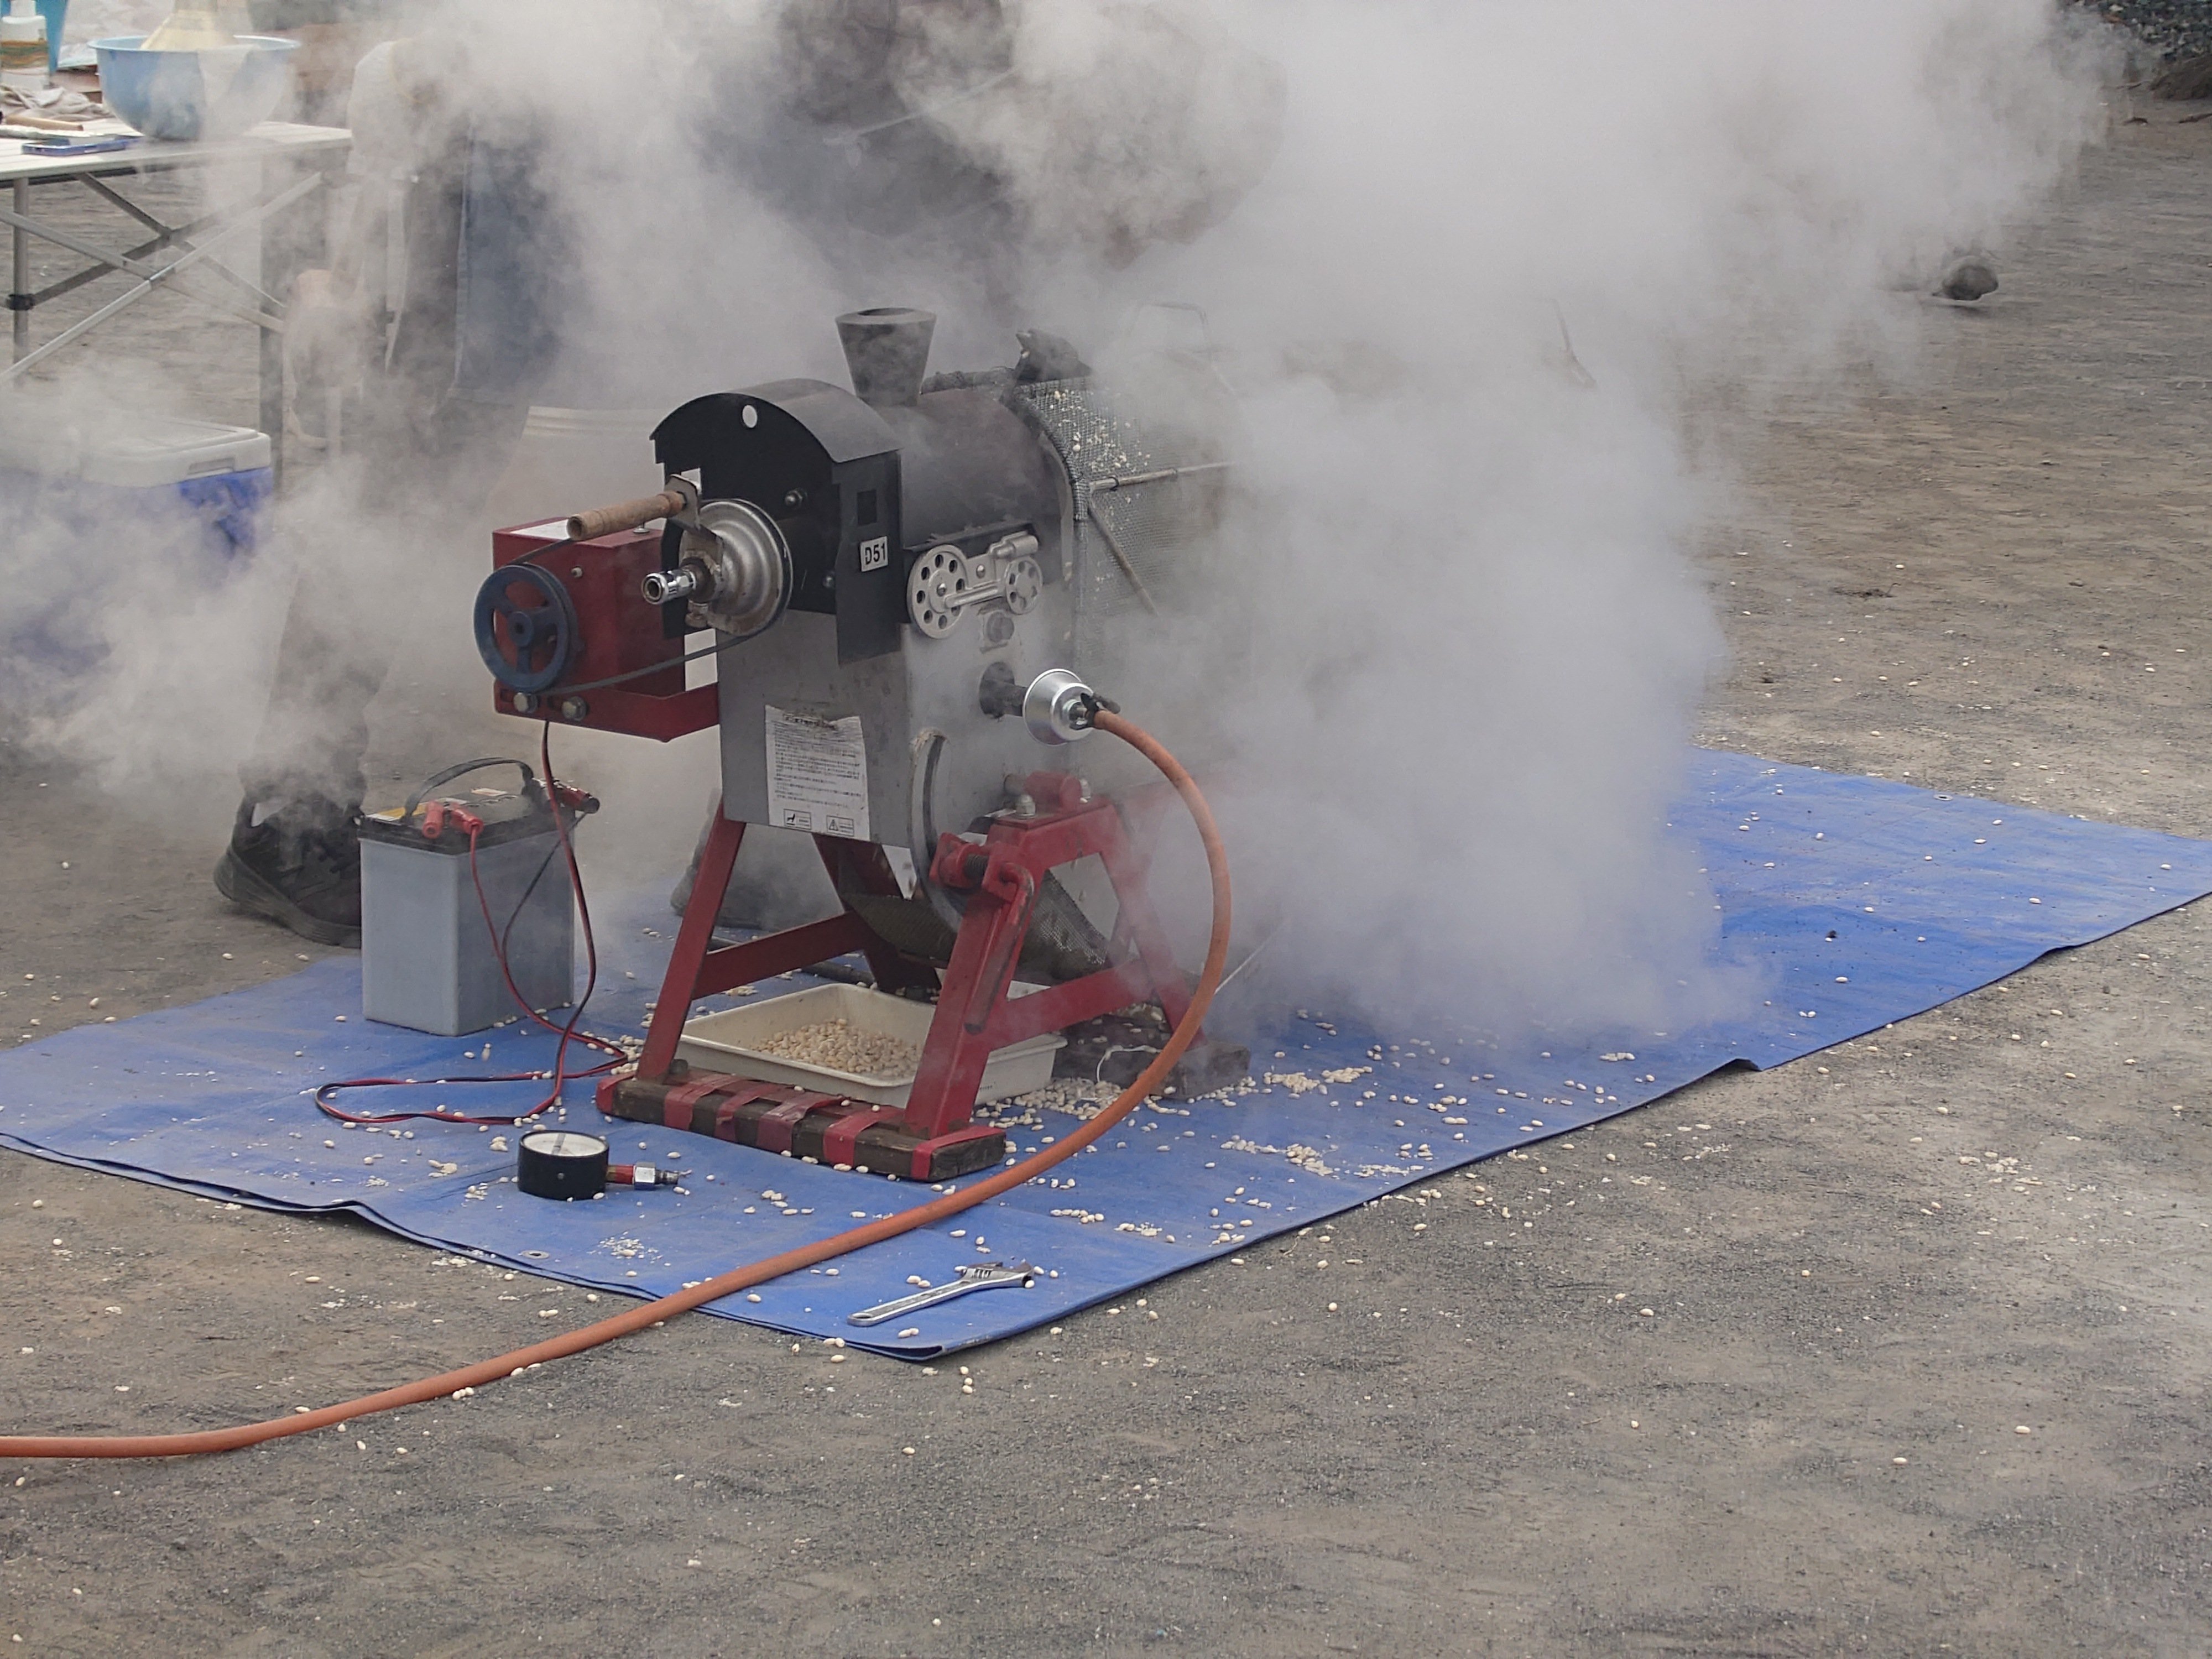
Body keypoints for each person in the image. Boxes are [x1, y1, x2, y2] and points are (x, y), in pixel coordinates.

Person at [215, 0, 1283, 946]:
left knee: (839, 480)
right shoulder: (962, 65)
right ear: (1123, 139)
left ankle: (772, 843)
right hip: (536, 139)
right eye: (1154, 215)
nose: (1133, 246)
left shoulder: (1006, 99)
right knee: (414, 476)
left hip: (672, 162)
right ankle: (287, 816)